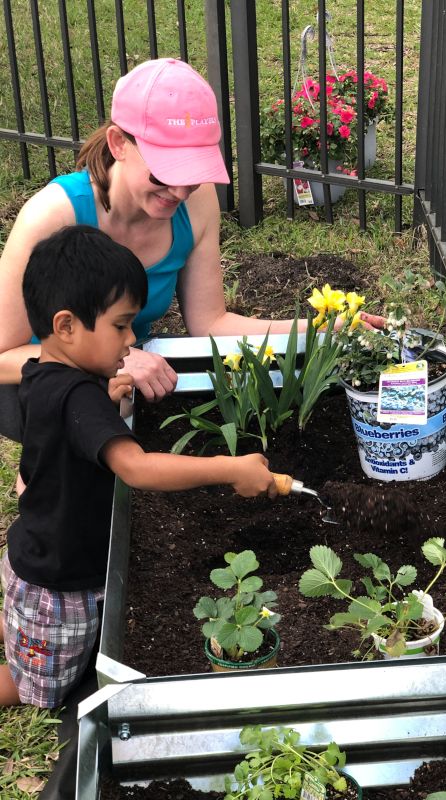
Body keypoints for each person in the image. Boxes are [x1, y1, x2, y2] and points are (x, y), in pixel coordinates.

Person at [0, 56, 383, 440]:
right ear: (119, 143)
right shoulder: (52, 216)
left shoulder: (194, 205)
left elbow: (211, 324)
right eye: (166, 172)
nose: (181, 192)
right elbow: (2, 358)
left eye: (193, 174)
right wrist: (108, 362)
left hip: (128, 372)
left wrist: (317, 330)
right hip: (39, 382)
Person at [0, 225, 277, 708]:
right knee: (37, 690)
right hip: (58, 587)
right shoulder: (78, 397)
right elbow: (137, 469)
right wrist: (229, 469)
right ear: (66, 326)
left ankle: (16, 618)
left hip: (46, 556)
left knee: (30, 628)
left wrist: (104, 399)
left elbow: (60, 430)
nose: (132, 339)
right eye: (121, 325)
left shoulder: (43, 374)